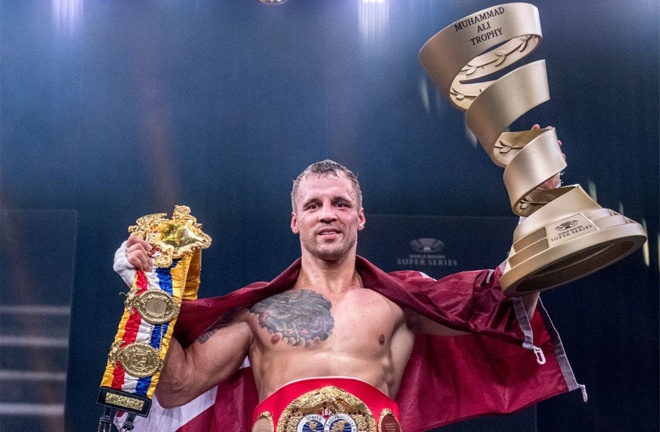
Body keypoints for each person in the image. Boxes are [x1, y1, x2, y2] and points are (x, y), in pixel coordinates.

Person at [114, 156, 580, 432]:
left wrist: (536, 211)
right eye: (313, 205)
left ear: (360, 217)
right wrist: (147, 289)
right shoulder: (259, 313)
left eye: (341, 204)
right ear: (296, 221)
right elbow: (177, 387)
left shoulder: (397, 303)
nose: (327, 214)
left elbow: (498, 304)